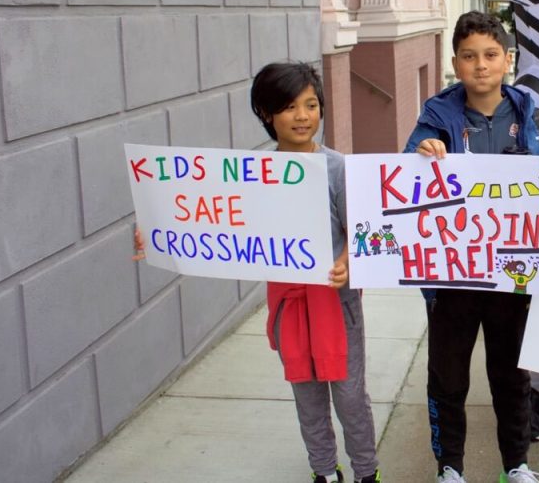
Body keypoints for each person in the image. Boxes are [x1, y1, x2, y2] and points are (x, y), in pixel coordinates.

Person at [134, 62, 381, 483]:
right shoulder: (251, 177)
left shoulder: (338, 168)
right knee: (306, 395)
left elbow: (367, 233)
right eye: (288, 107)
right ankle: (324, 469)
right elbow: (208, 218)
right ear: (267, 114)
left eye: (311, 105)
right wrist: (159, 230)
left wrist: (348, 263)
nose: (302, 116)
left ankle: (366, 472)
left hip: (337, 306)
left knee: (350, 396)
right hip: (289, 306)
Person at [405, 11, 539, 483]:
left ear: (507, 60)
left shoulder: (530, 113)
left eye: (491, 55)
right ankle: (449, 468)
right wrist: (423, 154)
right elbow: (406, 178)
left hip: (513, 274)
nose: (480, 65)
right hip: (453, 277)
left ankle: (516, 465)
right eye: (469, 56)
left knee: (511, 376)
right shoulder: (437, 114)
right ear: (454, 61)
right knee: (448, 379)